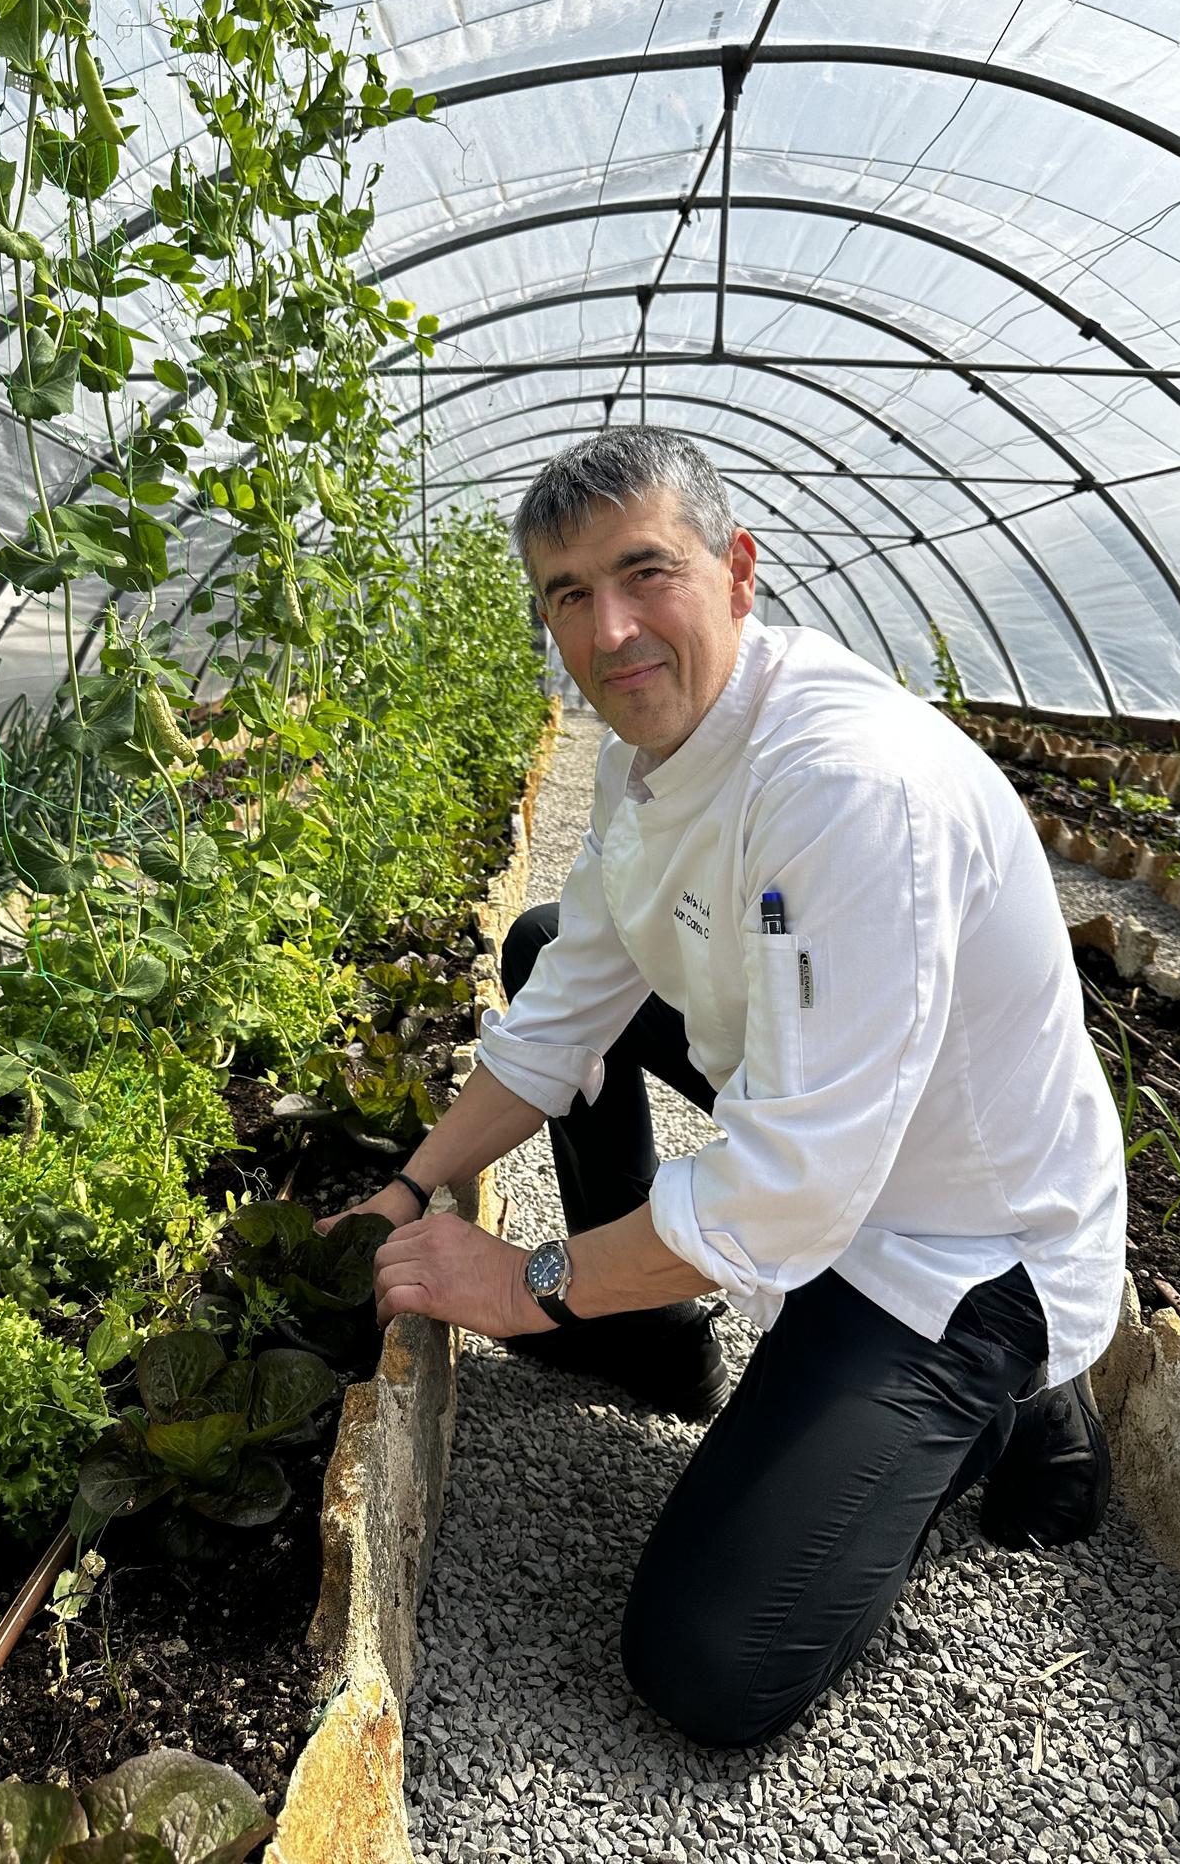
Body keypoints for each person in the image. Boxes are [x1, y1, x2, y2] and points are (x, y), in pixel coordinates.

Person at [319, 426, 1126, 1748]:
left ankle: (1024, 1398)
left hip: (964, 1243)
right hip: (834, 1131)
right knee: (543, 950)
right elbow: (562, 1006)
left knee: (710, 1663)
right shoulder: (661, 762)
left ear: (739, 572)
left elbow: (785, 1205)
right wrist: (409, 1187)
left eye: (646, 574)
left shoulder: (847, 789)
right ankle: (643, 1334)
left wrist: (524, 1284)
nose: (613, 627)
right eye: (570, 596)